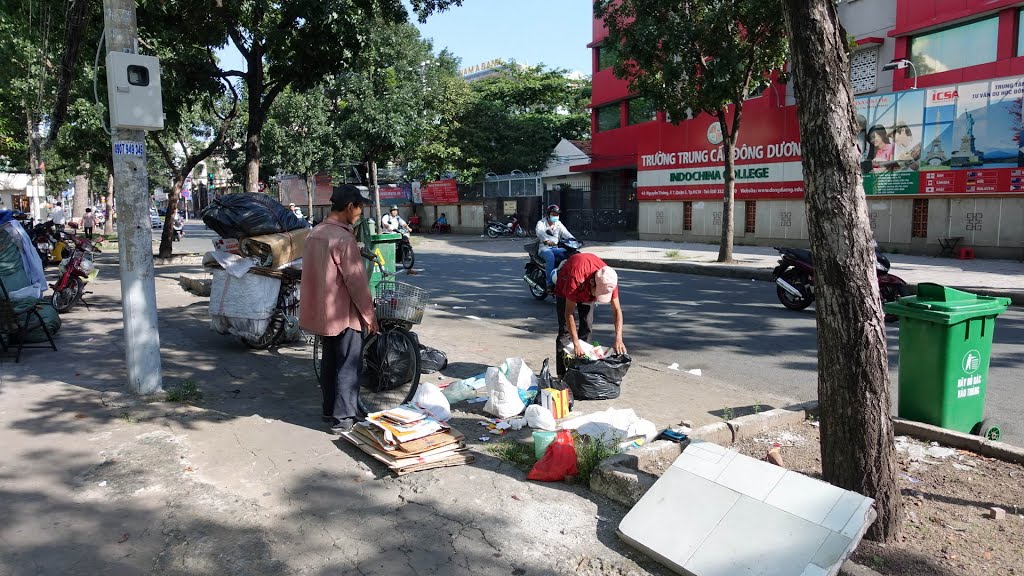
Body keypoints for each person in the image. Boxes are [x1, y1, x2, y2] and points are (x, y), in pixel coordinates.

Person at [299, 185, 378, 433]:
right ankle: (343, 418)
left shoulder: (316, 233)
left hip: (323, 313)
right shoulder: (343, 238)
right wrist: (370, 315)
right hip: (344, 313)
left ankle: (329, 409)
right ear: (349, 206)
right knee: (348, 364)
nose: (360, 214)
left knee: (330, 361)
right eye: (359, 208)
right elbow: (356, 282)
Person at [553, 252, 626, 376]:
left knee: (587, 327)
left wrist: (619, 338)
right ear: (592, 282)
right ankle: (562, 375)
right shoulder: (575, 279)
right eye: (597, 294)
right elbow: (569, 313)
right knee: (565, 332)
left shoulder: (609, 280)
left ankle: (582, 370)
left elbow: (617, 310)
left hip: (587, 287)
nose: (597, 298)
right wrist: (575, 343)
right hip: (566, 283)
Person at [535, 204, 573, 290]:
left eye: (557, 214)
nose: (555, 216)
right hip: (544, 248)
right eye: (553, 214)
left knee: (568, 254)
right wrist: (546, 241)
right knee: (550, 256)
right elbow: (539, 232)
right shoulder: (541, 223)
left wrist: (574, 241)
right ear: (548, 214)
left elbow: (566, 233)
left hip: (556, 248)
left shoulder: (558, 224)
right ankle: (549, 283)